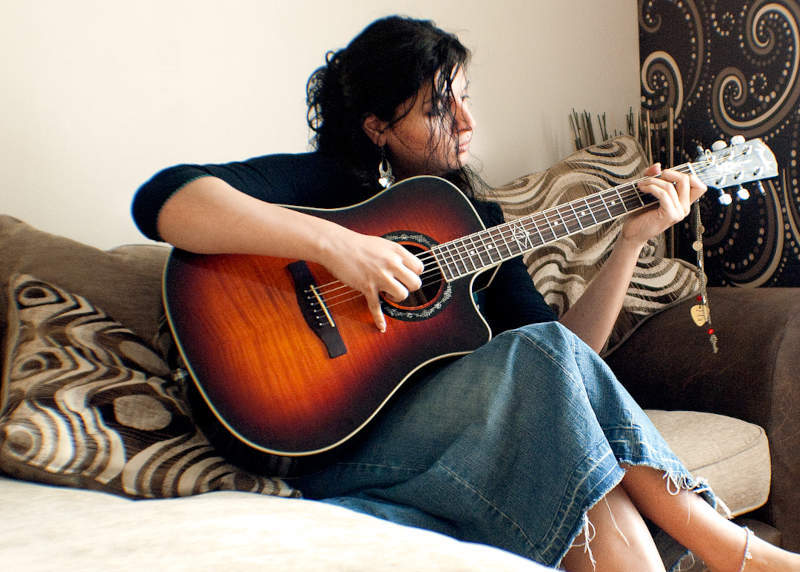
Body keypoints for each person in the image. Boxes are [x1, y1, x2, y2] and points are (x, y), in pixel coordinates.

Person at [132, 15, 800, 572]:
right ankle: (732, 552)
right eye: (437, 107)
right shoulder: (327, 185)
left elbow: (568, 352)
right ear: (376, 128)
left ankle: (731, 554)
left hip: (458, 436)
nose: (467, 120)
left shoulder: (468, 219)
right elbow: (164, 199)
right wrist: (339, 247)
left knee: (546, 385)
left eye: (464, 95)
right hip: (330, 440)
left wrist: (630, 241)